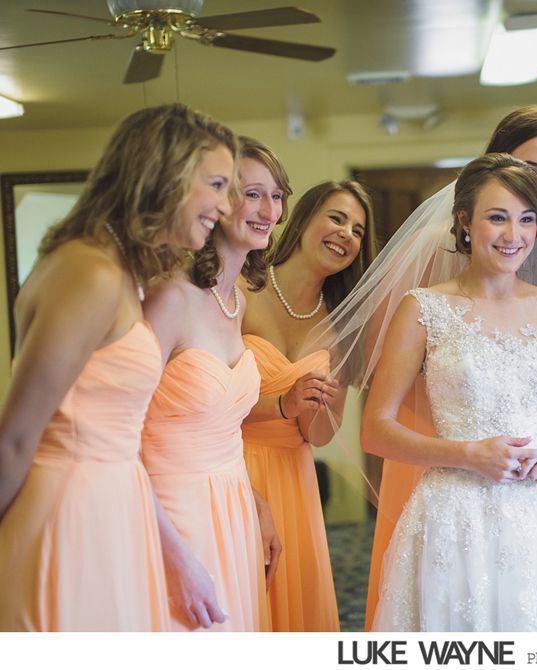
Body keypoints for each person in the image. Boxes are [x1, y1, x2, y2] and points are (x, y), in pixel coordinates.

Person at [363, 153, 537, 631]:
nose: (514, 236)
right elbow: (375, 430)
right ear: (464, 221)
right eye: (498, 218)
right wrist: (467, 453)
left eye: (526, 220)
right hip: (455, 516)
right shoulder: (424, 309)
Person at [0, 103, 235, 631]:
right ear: (165, 176)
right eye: (217, 184)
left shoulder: (119, 273)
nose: (225, 205)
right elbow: (15, 437)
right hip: (68, 511)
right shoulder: (90, 272)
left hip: (112, 504)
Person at [141, 136, 284, 631]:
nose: (269, 209)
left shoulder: (237, 302)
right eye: (253, 193)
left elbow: (223, 430)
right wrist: (174, 556)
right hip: (171, 517)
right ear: (217, 201)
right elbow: (121, 433)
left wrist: (256, 504)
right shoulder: (170, 299)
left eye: (277, 195)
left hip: (233, 509)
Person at [240, 179, 375, 631]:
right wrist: (281, 401)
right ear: (303, 220)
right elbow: (200, 398)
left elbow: (317, 436)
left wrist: (320, 405)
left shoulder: (340, 325)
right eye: (337, 218)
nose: (347, 235)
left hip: (293, 477)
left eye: (358, 230)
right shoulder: (241, 288)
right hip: (232, 467)